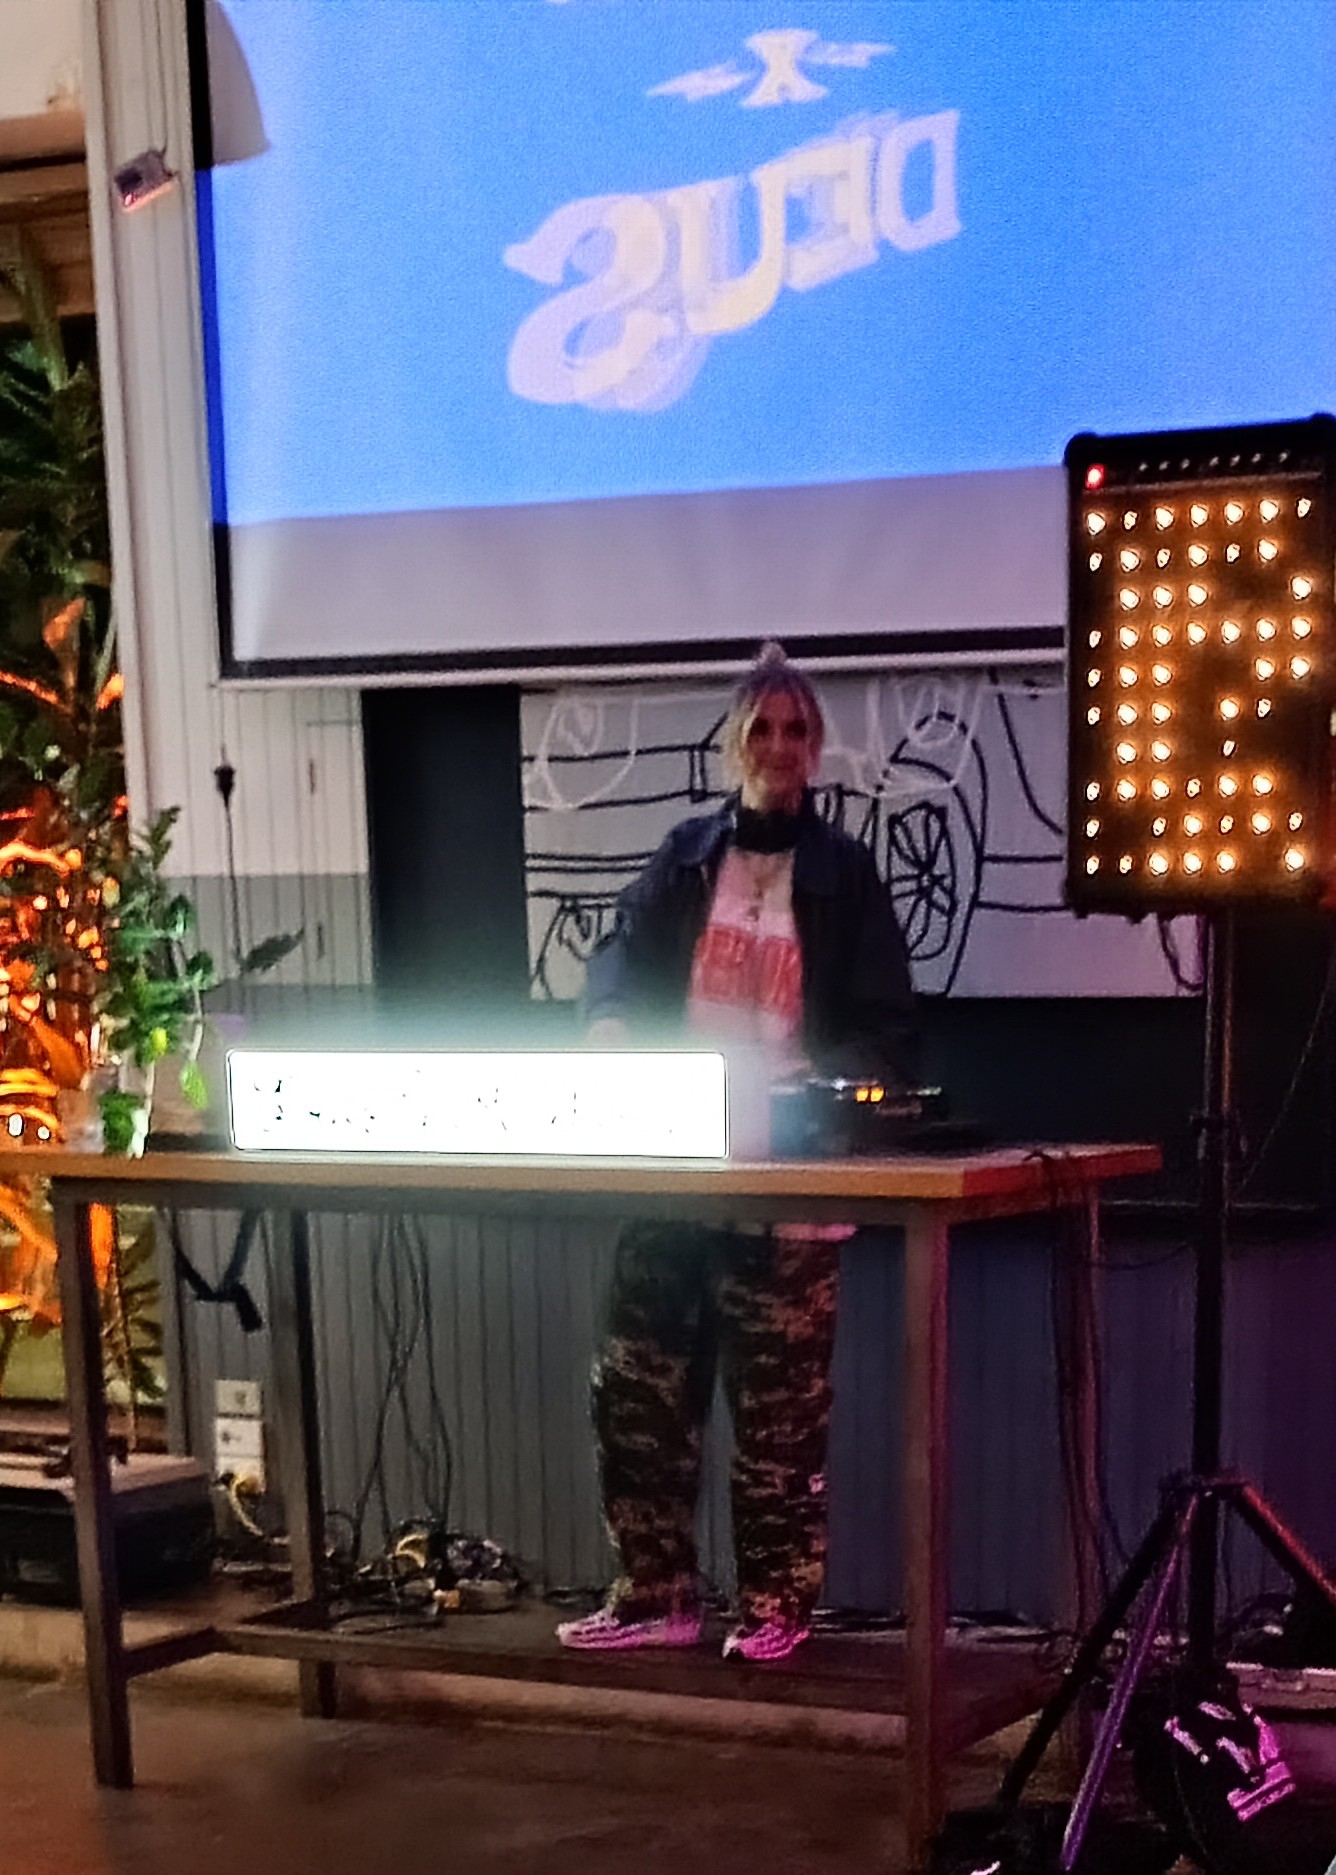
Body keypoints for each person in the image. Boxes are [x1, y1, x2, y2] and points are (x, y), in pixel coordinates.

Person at [557, 643, 919, 1663]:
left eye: (797, 729)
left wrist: (819, 1091)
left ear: (817, 747)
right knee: (638, 1395)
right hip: (674, 1170)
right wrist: (610, 1024)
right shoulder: (683, 859)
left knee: (779, 1424)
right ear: (733, 743)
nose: (779, 746)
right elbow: (617, 959)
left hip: (790, 1183)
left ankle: (775, 1606)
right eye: (762, 728)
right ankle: (655, 1595)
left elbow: (890, 1028)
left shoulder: (847, 877)